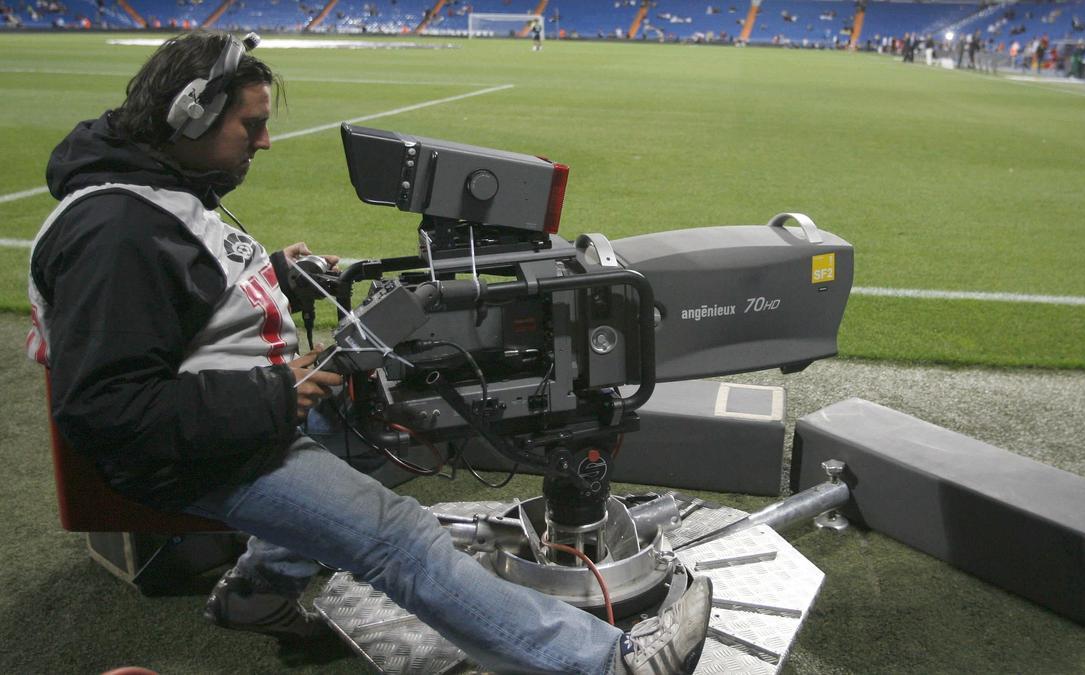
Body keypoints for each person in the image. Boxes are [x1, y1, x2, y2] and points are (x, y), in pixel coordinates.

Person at [26, 30, 711, 675]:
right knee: (400, 540)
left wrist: (278, 274)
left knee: (402, 429)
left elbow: (172, 303)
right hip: (200, 455)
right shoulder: (114, 233)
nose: (264, 142)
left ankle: (257, 592)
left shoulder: (156, 195)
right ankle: (607, 661)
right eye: (250, 125)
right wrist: (275, 394)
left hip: (235, 418)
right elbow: (105, 409)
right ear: (191, 118)